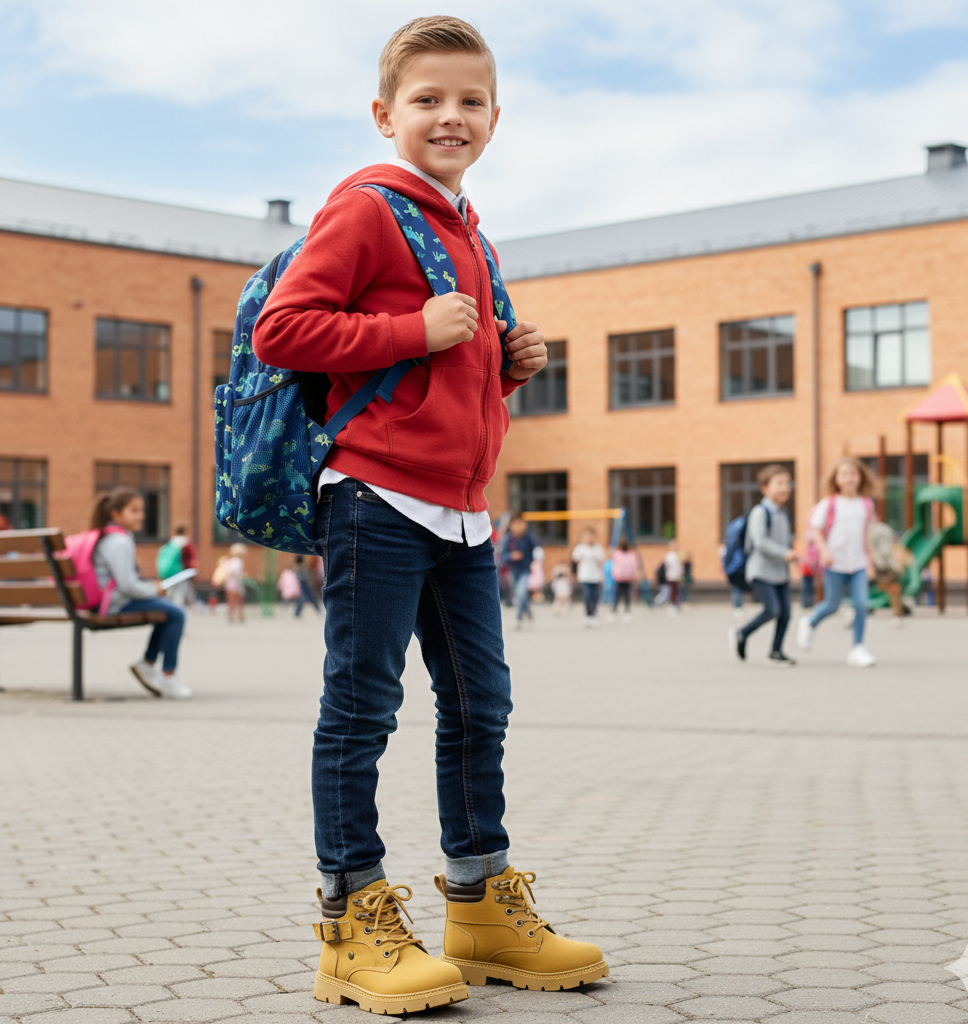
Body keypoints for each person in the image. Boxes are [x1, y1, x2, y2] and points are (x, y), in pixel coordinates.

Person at [250, 17, 605, 1012]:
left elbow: (447, 372)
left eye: (469, 101)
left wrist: (508, 362)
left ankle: (480, 907)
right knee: (363, 706)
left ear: (495, 116)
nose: (450, 116)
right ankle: (350, 919)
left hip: (461, 512)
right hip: (374, 496)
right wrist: (414, 327)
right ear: (383, 115)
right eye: (427, 100)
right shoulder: (366, 208)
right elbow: (285, 330)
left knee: (479, 704)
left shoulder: (472, 232)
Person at [91, 487, 191, 698]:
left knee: (166, 612)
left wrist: (150, 590)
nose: (141, 515)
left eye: (141, 510)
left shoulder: (107, 537)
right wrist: (154, 589)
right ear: (116, 514)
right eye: (134, 510)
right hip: (113, 605)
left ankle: (147, 664)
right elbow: (127, 586)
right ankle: (168, 675)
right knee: (176, 613)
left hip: (102, 602)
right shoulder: (119, 541)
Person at [797, 457, 878, 667]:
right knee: (832, 605)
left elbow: (866, 535)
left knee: (861, 604)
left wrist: (870, 562)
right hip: (834, 563)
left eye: (853, 474)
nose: (849, 478)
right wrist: (824, 551)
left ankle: (858, 648)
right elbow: (815, 529)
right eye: (844, 474)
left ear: (861, 477)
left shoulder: (866, 504)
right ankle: (809, 622)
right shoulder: (829, 503)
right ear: (837, 479)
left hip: (858, 563)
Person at [728, 465, 799, 666]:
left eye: (787, 483)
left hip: (780, 572)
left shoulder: (783, 513)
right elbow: (759, 541)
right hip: (760, 571)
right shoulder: (760, 512)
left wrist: (791, 554)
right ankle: (742, 633)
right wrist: (784, 553)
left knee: (785, 613)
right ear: (765, 488)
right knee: (772, 609)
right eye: (779, 484)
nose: (784, 488)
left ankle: (775, 652)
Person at [869, 520, 912, 623]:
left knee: (892, 587)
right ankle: (898, 611)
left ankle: (898, 611)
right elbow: (885, 552)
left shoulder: (874, 534)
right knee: (892, 587)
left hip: (879, 564)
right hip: (883, 566)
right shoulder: (881, 536)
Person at [501, 516, 535, 628]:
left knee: (521, 593)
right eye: (516, 524)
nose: (519, 527)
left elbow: (536, 550)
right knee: (518, 594)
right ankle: (526, 609)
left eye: (521, 524)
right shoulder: (508, 539)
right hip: (512, 570)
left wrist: (535, 561)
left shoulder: (528, 538)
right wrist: (511, 556)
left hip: (525, 570)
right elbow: (502, 556)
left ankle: (518, 618)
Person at [157, 525, 198, 608]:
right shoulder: (186, 544)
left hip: (168, 574)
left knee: (169, 596)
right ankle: (176, 613)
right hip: (181, 574)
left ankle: (169, 611)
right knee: (179, 597)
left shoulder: (170, 543)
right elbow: (190, 560)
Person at [572, 527, 605, 627]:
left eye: (591, 536)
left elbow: (601, 562)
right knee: (587, 596)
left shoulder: (597, 548)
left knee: (595, 596)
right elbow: (574, 561)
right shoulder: (580, 548)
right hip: (584, 576)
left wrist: (602, 576)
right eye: (587, 536)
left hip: (595, 576)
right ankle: (587, 614)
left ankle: (594, 614)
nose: (589, 538)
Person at [611, 537, 638, 620]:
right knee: (626, 595)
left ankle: (614, 611)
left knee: (617, 595)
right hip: (628, 577)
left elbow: (614, 565)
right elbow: (634, 566)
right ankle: (627, 611)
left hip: (619, 577)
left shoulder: (617, 553)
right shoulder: (631, 554)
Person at [221, 543, 247, 623]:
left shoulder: (230, 561)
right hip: (236, 583)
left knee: (230, 600)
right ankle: (240, 616)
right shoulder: (239, 561)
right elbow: (236, 573)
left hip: (229, 583)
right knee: (239, 601)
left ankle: (231, 616)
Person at [662, 544, 682, 613]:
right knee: (673, 590)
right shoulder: (671, 555)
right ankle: (672, 604)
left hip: (673, 575)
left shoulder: (672, 555)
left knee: (674, 589)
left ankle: (673, 603)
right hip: (673, 575)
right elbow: (672, 566)